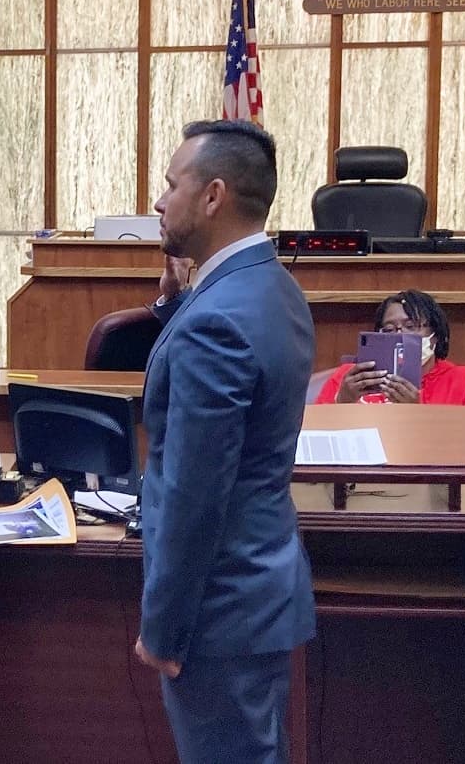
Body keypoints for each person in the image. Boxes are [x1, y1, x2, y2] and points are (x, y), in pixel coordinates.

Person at [135, 120, 315, 763]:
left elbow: (194, 496)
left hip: (217, 610)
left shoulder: (217, 318)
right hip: (259, 589)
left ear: (212, 196)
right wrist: (172, 310)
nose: (159, 201)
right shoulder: (272, 287)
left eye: (171, 184)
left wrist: (163, 630)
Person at [314, 289, 465, 405]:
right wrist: (342, 401)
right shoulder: (350, 376)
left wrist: (417, 414)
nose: (400, 335)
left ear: (436, 334)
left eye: (411, 326)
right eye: (389, 329)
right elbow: (315, 434)